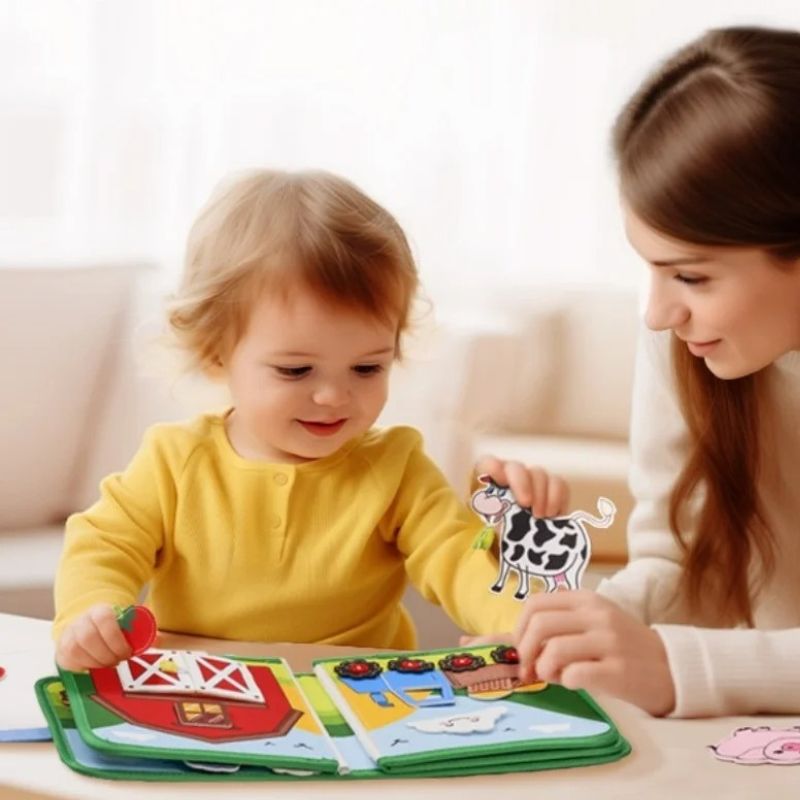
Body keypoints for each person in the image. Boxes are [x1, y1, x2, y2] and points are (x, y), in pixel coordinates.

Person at [52, 169, 568, 672]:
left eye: (367, 368)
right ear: (215, 353)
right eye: (296, 370)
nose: (334, 396)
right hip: (201, 687)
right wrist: (91, 615)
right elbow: (104, 545)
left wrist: (519, 619)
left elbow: (456, 556)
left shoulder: (398, 468)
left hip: (359, 697)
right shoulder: (175, 459)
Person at [477, 25, 800, 718]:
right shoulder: (685, 342)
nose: (656, 314)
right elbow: (678, 559)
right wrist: (587, 626)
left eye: (691, 276)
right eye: (650, 269)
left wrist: (678, 667)